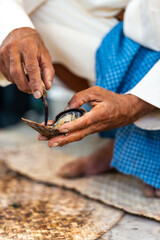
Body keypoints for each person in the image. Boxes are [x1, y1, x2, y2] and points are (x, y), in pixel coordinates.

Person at [0, 0, 160, 197]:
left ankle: (137, 145)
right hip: (127, 27)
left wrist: (136, 103)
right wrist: (17, 30)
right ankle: (122, 137)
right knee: (19, 16)